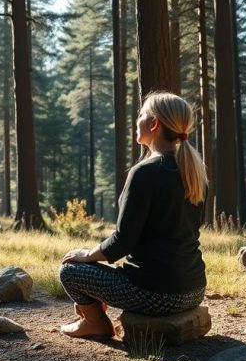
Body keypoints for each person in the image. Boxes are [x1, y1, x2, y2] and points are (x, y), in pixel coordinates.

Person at [58, 91, 208, 338]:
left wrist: (87, 255)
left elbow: (122, 242)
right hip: (193, 290)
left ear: (154, 123)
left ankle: (96, 323)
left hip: (155, 294)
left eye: (141, 114)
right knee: (87, 267)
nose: (136, 120)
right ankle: (94, 311)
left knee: (69, 271)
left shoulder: (145, 172)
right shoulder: (195, 171)